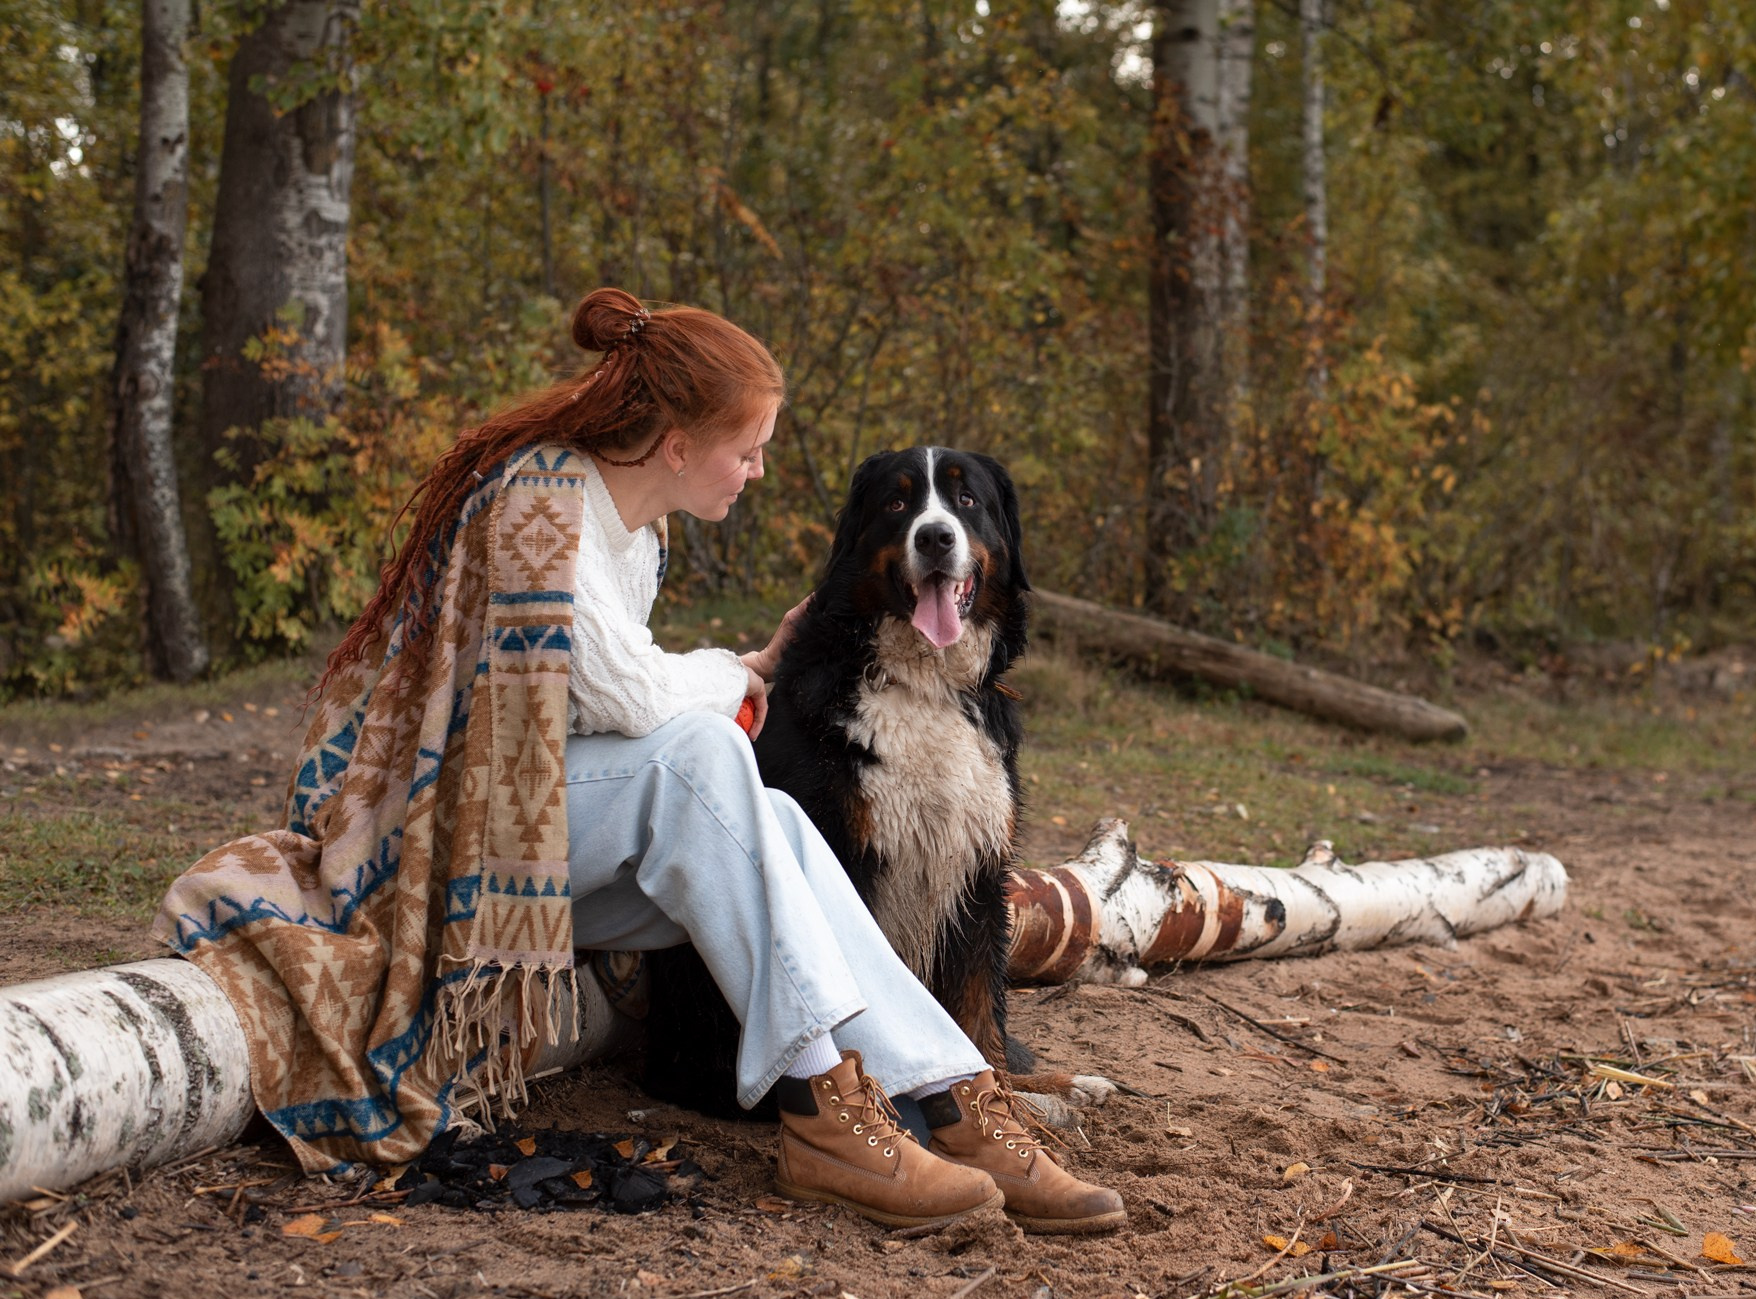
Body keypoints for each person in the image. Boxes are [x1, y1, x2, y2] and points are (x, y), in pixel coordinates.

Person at [155, 287, 1124, 1236]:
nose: (753, 473)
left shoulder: (636, 535)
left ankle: (945, 1090)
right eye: (746, 450)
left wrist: (739, 676)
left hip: (537, 858)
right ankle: (828, 1112)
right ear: (677, 445)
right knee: (702, 750)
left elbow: (616, 699)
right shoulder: (542, 505)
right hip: (443, 854)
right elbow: (634, 703)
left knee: (776, 820)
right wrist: (742, 677)